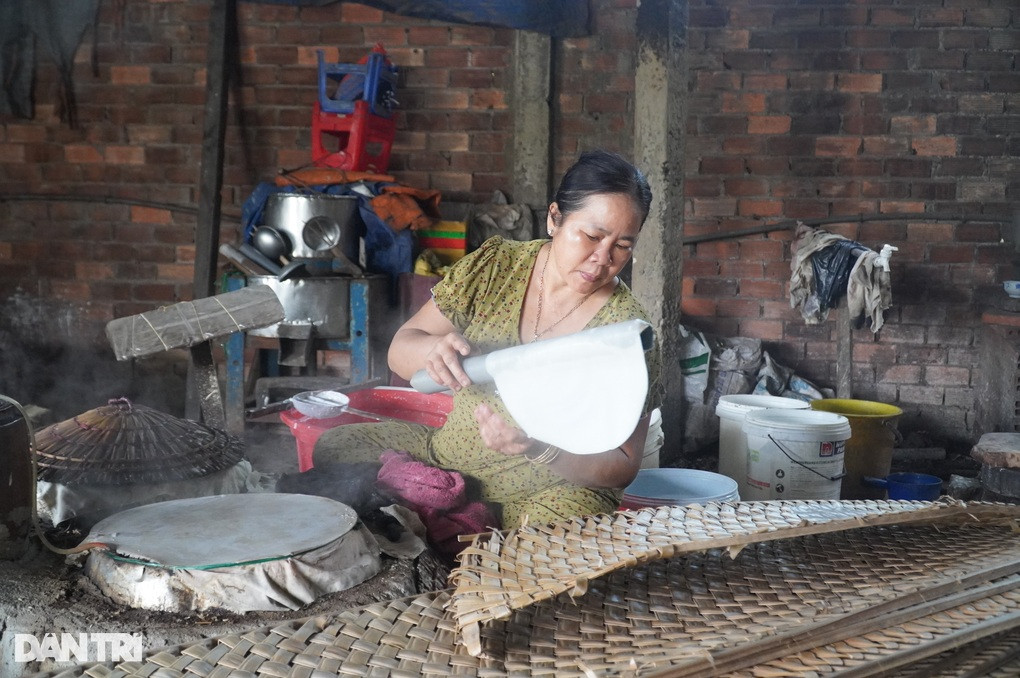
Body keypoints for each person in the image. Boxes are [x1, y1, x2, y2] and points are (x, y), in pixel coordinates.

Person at [314, 149, 662, 528]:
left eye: (623, 246)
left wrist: (539, 450)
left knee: (552, 543)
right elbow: (401, 351)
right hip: (450, 456)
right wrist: (433, 350)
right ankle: (450, 507)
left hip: (548, 487)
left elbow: (623, 465)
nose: (602, 258)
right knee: (335, 446)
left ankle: (455, 525)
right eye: (591, 236)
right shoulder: (498, 266)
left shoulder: (626, 331)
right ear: (555, 218)